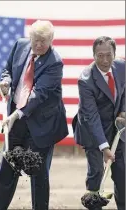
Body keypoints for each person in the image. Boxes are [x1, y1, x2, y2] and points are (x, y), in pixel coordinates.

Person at [0, 20, 69, 210]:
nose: (39, 45)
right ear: (30, 37)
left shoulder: (54, 63)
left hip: (42, 124)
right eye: (36, 40)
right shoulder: (20, 45)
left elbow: (38, 95)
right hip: (16, 122)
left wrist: (16, 114)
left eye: (44, 41)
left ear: (51, 40)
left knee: (38, 173)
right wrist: (5, 82)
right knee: (6, 170)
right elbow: (8, 68)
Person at [72, 36, 125, 210]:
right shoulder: (85, 80)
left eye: (109, 55)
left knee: (122, 174)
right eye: (100, 55)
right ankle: (94, 205)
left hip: (116, 128)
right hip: (91, 129)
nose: (104, 60)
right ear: (93, 55)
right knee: (96, 172)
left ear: (114, 54)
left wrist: (123, 110)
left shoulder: (122, 67)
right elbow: (91, 116)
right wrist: (104, 147)